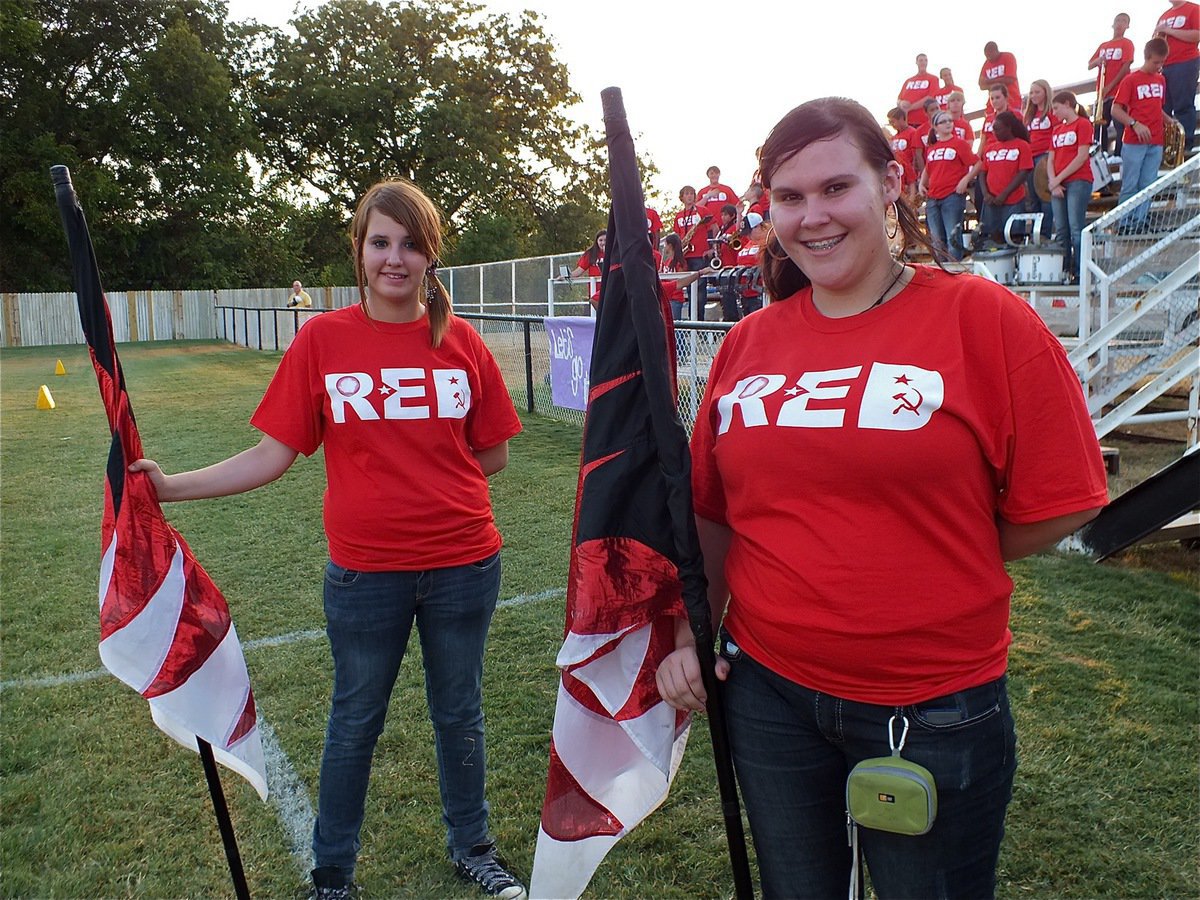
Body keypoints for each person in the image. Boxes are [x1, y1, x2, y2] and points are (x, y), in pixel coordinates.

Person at [655, 96, 1108, 900]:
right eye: (789, 198)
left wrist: (930, 551)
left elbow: (1067, 497)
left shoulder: (982, 318)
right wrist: (693, 629)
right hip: (766, 691)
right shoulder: (749, 344)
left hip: (932, 706)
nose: (812, 217)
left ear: (891, 183)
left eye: (836, 188)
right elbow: (716, 512)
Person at [130, 179, 527, 900]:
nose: (395, 259)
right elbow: (272, 453)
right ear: (360, 251)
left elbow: (494, 450)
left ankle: (472, 845)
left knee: (459, 713)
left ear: (431, 255)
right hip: (366, 574)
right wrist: (171, 486)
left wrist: (422, 465)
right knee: (354, 723)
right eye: (381, 243)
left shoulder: (461, 340)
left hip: (466, 563)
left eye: (411, 244)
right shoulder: (323, 339)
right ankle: (333, 874)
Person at [1112, 38, 1174, 229]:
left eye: (1162, 62)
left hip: (1155, 140)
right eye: (1156, 62)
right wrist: (1134, 124)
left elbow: (1156, 107)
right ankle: (1125, 222)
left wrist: (1169, 121)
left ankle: (1140, 221)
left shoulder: (1161, 79)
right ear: (1146, 58)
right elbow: (1115, 109)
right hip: (1134, 141)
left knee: (1148, 183)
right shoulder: (1130, 79)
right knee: (1130, 184)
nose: (1159, 66)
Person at [1047, 91, 1095, 280]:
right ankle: (1064, 270)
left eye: (1057, 108)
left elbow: (1082, 156)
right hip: (1058, 182)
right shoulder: (1057, 130)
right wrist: (1053, 182)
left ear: (1068, 104)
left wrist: (1058, 179)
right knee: (1061, 229)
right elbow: (1050, 159)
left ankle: (1081, 272)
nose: (1055, 112)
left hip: (1078, 180)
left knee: (1076, 228)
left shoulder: (1083, 124)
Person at [919, 110, 978, 261]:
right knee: (937, 240)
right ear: (935, 127)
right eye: (943, 121)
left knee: (953, 238)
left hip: (952, 196)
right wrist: (921, 183)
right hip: (933, 197)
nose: (948, 124)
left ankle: (954, 273)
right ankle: (942, 274)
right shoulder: (933, 147)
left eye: (950, 121)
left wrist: (965, 179)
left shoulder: (959, 143)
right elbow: (928, 167)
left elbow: (977, 163)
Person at [973, 111, 1033, 246]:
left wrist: (1005, 194)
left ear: (1008, 128)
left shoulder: (1022, 145)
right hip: (991, 201)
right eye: (993, 129)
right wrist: (986, 194)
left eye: (997, 129)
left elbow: (1024, 171)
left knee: (1013, 237)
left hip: (1013, 200)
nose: (994, 132)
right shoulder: (989, 148)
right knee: (992, 238)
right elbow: (982, 172)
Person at [1155, 1, 1200, 153]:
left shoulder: (1193, 9)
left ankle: (1185, 143)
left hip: (1185, 62)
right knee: (1163, 107)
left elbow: (1197, 35)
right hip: (1163, 66)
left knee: (1183, 104)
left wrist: (1169, 30)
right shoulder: (1164, 15)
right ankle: (1167, 144)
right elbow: (1155, 42)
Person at [1089, 12, 1136, 153]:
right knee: (1099, 126)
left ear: (1127, 26)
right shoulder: (1104, 45)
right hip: (1102, 93)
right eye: (1117, 20)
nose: (1119, 23)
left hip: (1118, 91)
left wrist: (1110, 86)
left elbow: (1126, 66)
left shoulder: (1127, 43)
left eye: (1123, 21)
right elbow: (1090, 64)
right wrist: (1098, 61)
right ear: (1113, 24)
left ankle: (1119, 153)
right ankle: (1101, 153)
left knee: (1119, 124)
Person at [1023, 78, 1057, 237]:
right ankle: (1035, 234)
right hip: (1030, 157)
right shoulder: (1029, 114)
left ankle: (1045, 233)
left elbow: (1057, 134)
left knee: (1045, 197)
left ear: (1045, 92)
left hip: (1045, 157)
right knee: (1033, 198)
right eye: (1031, 92)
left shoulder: (1051, 112)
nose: (1033, 95)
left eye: (1037, 92)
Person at [659, 232, 701, 321]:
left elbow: (680, 279)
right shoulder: (667, 261)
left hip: (675, 298)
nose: (664, 247)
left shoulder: (680, 262)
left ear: (670, 245)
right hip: (667, 296)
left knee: (675, 324)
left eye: (666, 244)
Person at [673, 185, 713, 274]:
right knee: (687, 284)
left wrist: (712, 248)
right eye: (687, 194)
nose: (690, 196)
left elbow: (714, 229)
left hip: (700, 254)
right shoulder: (678, 215)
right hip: (685, 255)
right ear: (682, 197)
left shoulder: (703, 211)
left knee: (699, 284)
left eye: (692, 194)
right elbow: (678, 235)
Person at [887, 107, 921, 202]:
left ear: (901, 118)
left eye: (893, 122)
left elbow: (916, 155)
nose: (892, 125)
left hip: (909, 172)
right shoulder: (894, 137)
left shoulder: (913, 133)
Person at [898, 53, 939, 130]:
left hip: (924, 121)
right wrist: (901, 103)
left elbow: (930, 98)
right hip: (907, 122)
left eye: (925, 60)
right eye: (921, 60)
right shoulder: (908, 81)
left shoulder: (933, 79)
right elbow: (899, 98)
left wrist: (910, 108)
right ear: (916, 62)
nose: (923, 62)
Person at [979, 41, 1022, 112]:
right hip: (993, 106)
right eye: (986, 56)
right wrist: (1001, 81)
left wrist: (989, 82)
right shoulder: (987, 63)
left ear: (995, 51)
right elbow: (981, 85)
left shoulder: (1008, 57)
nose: (988, 58)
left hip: (1012, 101)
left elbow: (1010, 79)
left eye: (989, 56)